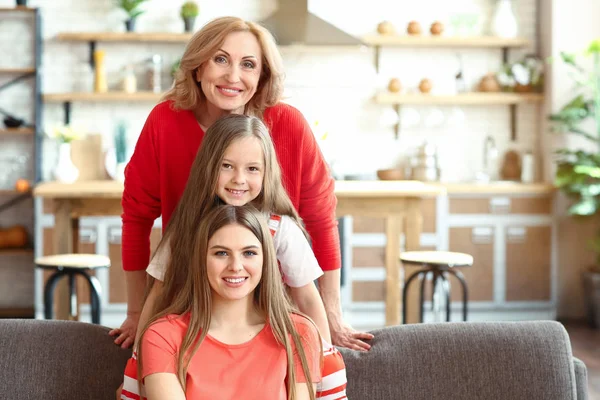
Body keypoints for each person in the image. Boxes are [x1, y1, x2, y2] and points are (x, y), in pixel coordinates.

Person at [110, 15, 373, 351]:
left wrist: (332, 315)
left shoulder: (288, 125)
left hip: (274, 302)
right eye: (220, 59)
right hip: (191, 293)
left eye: (248, 64)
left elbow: (321, 219)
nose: (233, 76)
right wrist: (135, 312)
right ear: (198, 66)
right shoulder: (164, 121)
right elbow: (137, 217)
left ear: (261, 75)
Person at [119, 114, 348, 400]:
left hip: (267, 343)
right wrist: (136, 364)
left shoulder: (281, 229)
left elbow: (308, 299)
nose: (239, 179)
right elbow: (159, 293)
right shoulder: (187, 227)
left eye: (252, 169)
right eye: (227, 166)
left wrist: (323, 368)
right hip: (201, 338)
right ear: (208, 167)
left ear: (267, 174)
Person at [136, 204, 323, 399]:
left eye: (249, 253)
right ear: (201, 259)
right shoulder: (162, 336)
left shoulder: (299, 333)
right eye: (221, 253)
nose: (235, 266)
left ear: (265, 260)